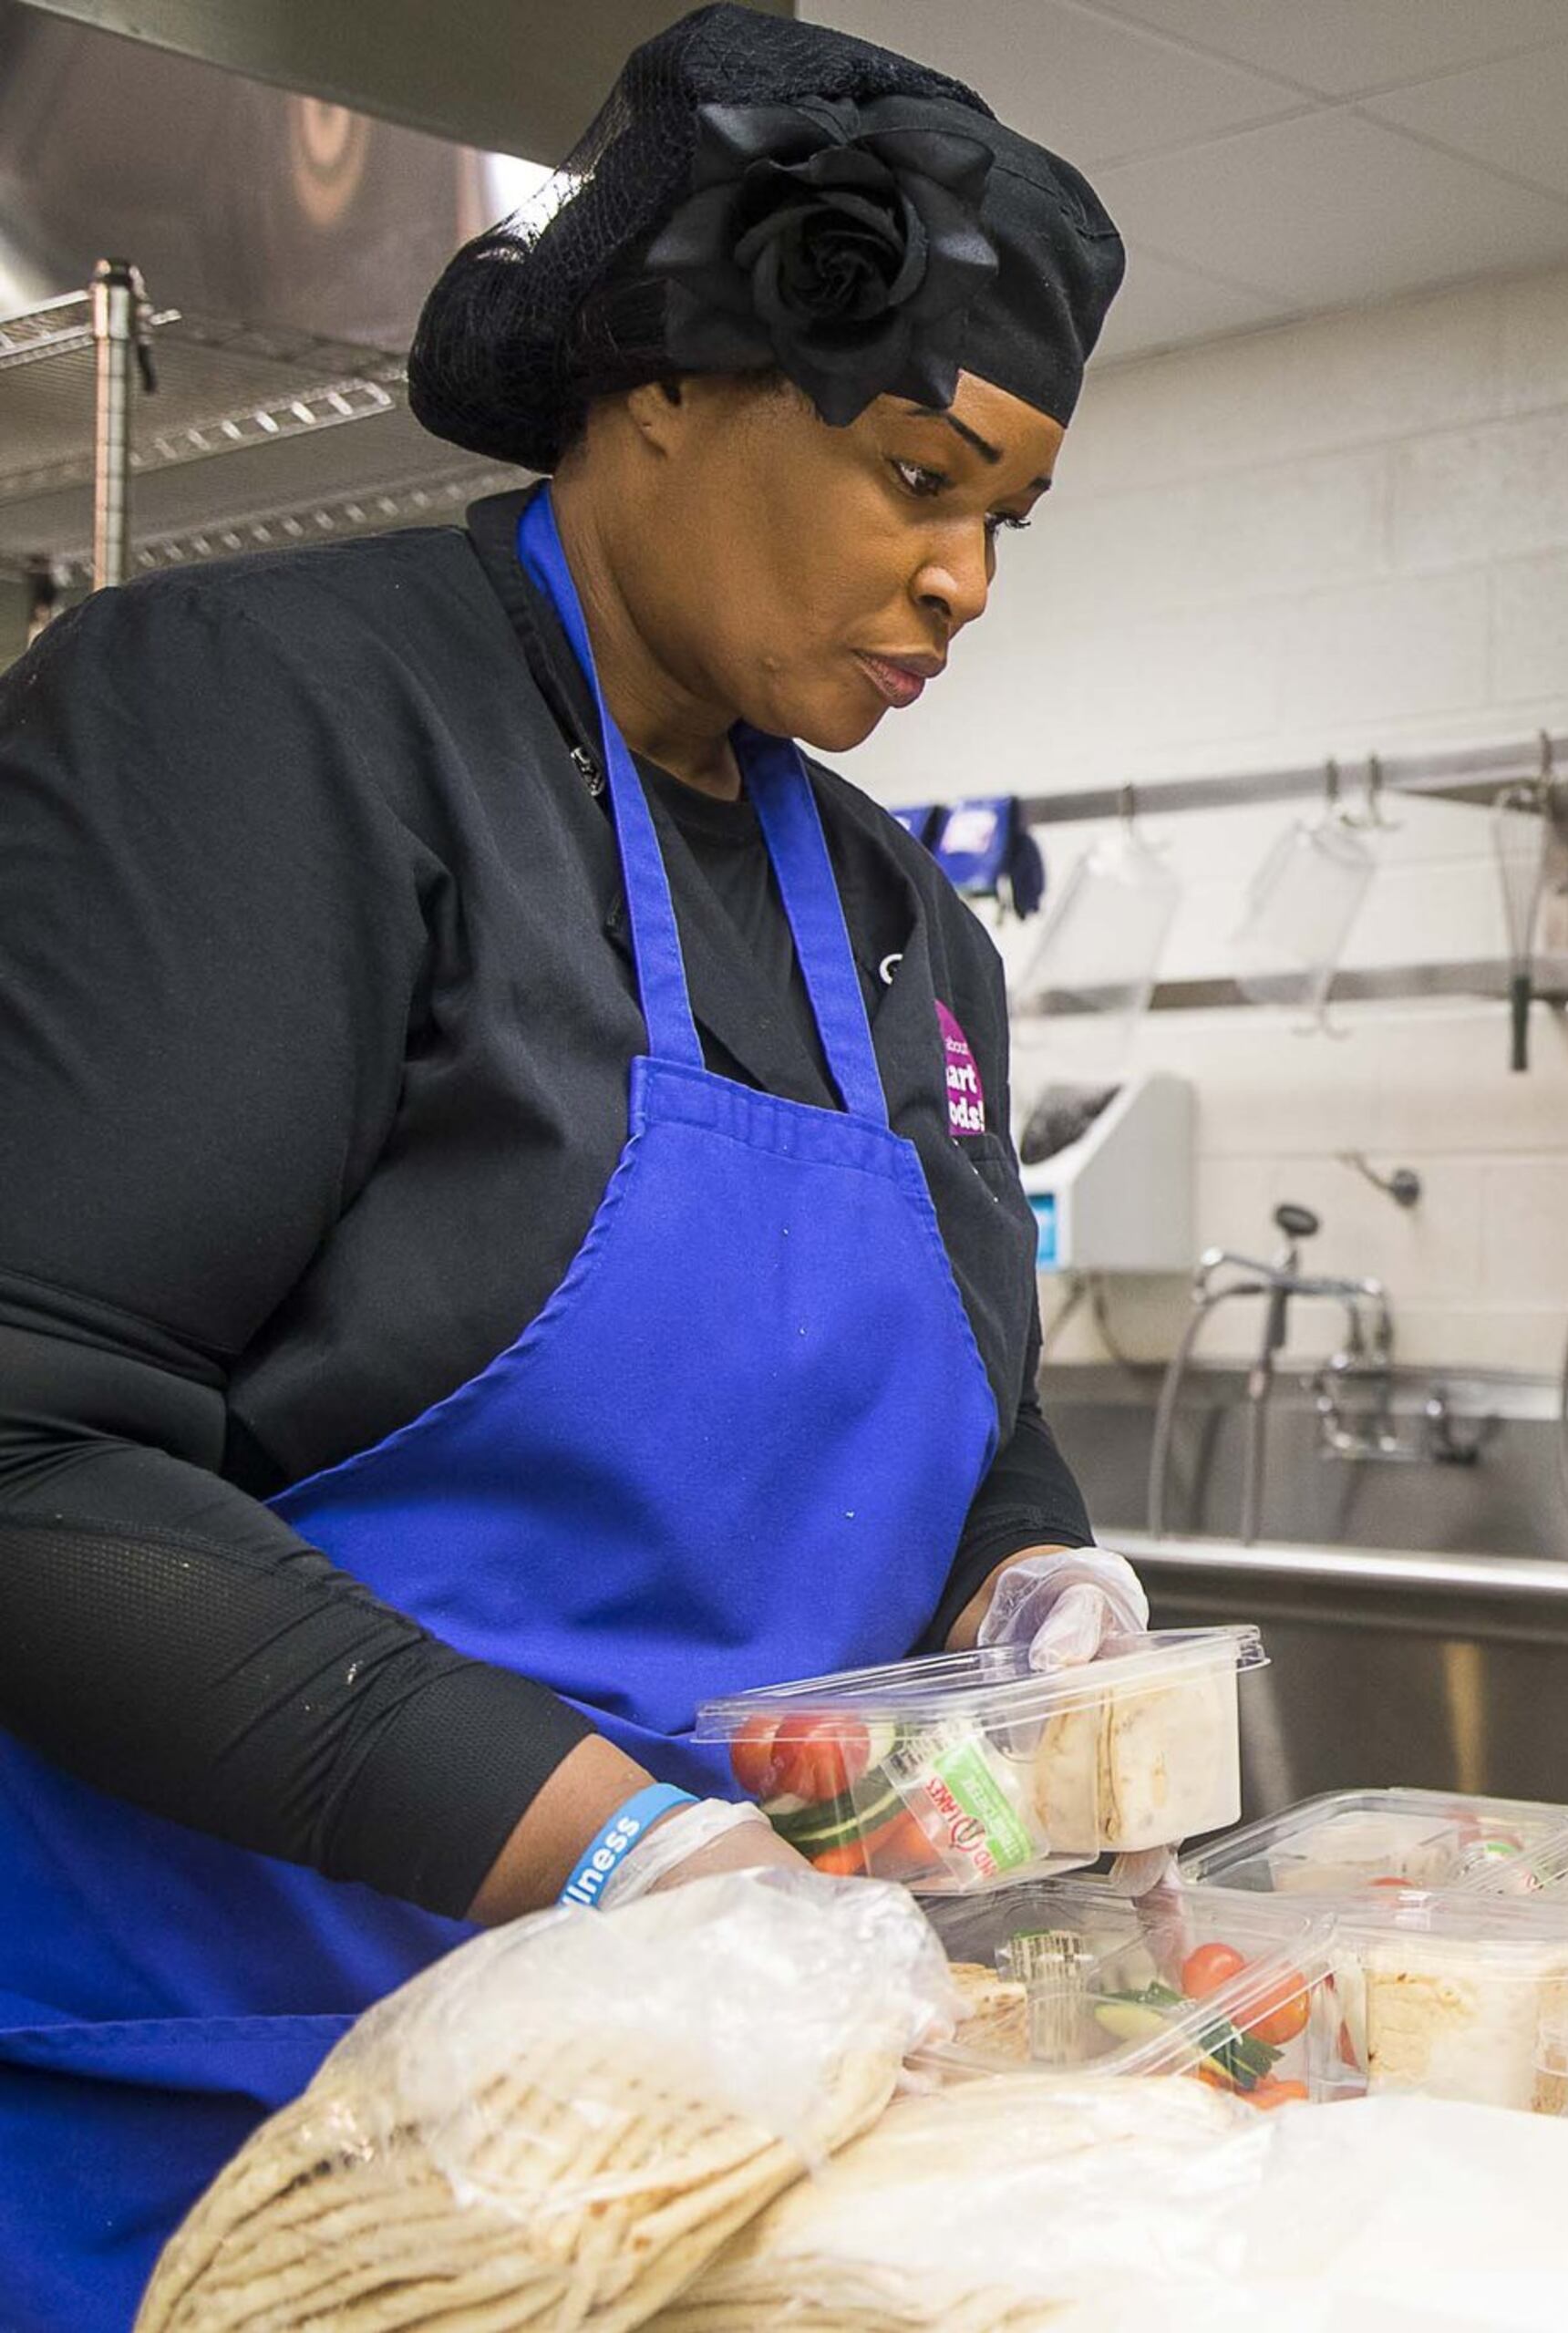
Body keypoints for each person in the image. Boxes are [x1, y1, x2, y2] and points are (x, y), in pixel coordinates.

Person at [0, 12, 1143, 2322]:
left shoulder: (908, 920)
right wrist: (624, 1850)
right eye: (920, 476)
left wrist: (1035, 1594)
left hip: (710, 2146)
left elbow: (974, 1418)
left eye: (1004, 519)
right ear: (663, 381)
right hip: (217, 2143)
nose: (967, 584)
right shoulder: (261, 726)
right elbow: (32, 1443)